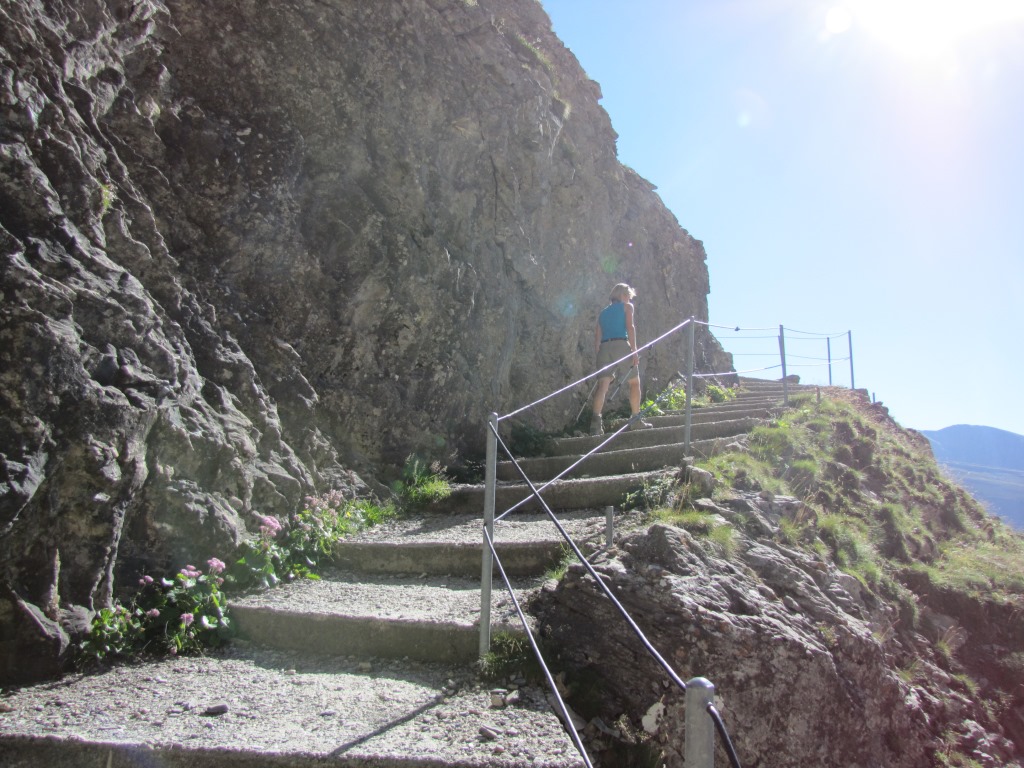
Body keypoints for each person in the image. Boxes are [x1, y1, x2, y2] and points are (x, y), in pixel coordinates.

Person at [590, 283, 653, 436]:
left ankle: (595, 425)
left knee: (602, 386)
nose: (629, 298)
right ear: (623, 295)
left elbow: (597, 336)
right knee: (634, 382)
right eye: (629, 296)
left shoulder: (603, 313)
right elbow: (630, 327)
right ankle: (635, 420)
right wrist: (634, 350)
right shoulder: (627, 307)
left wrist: (600, 352)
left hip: (604, 348)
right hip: (621, 345)